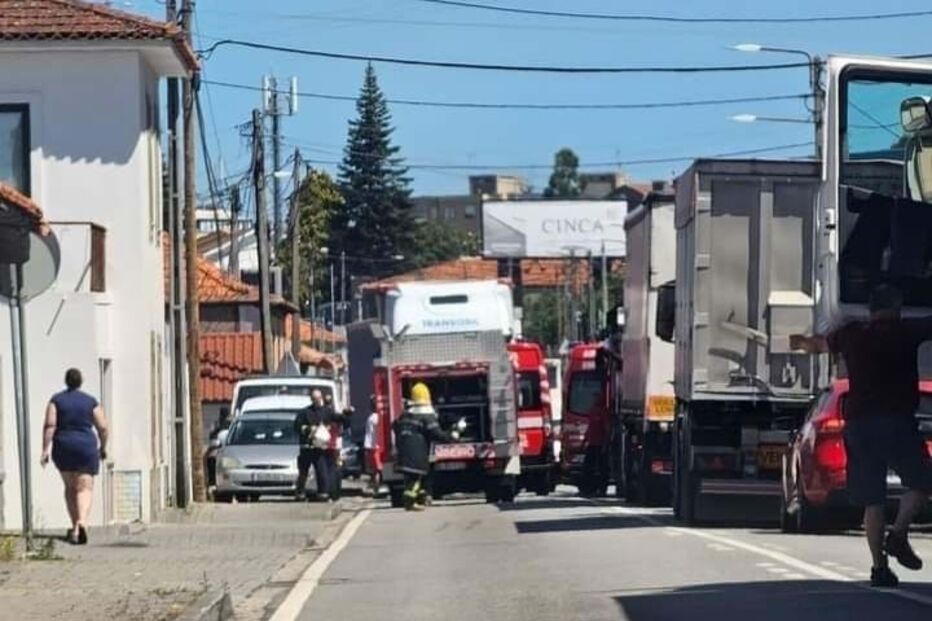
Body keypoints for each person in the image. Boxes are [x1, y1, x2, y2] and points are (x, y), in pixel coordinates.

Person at [791, 284, 932, 588]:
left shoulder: (852, 334)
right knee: (922, 483)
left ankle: (879, 569)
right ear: (895, 307)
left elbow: (815, 345)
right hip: (896, 422)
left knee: (873, 500)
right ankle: (899, 533)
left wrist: (797, 341)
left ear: (869, 309)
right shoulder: (905, 331)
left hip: (859, 426)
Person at [40, 368, 109, 545]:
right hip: (85, 447)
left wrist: (45, 449)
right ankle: (82, 523)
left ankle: (74, 526)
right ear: (80, 381)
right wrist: (103, 447)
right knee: (85, 487)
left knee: (71, 487)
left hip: (63, 446)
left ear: (66, 381)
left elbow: (50, 425)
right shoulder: (90, 401)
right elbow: (102, 426)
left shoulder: (56, 401)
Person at [392, 382, 462, 511]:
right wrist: (454, 434)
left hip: (404, 454)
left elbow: (395, 426)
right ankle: (410, 502)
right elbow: (437, 434)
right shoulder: (427, 417)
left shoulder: (404, 416)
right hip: (417, 456)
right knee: (415, 479)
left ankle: (419, 500)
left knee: (414, 479)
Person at [294, 389, 340, 502]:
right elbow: (297, 427)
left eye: (319, 398)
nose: (317, 401)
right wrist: (309, 429)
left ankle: (323, 493)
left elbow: (337, 419)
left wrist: (347, 414)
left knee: (321, 471)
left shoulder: (327, 411)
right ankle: (300, 492)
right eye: (315, 399)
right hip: (306, 447)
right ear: (311, 399)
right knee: (303, 472)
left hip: (319, 448)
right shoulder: (304, 412)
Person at [364, 395, 382, 495]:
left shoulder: (370, 418)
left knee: (375, 470)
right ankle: (377, 488)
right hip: (376, 446)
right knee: (378, 470)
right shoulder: (376, 418)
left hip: (372, 446)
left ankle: (376, 488)